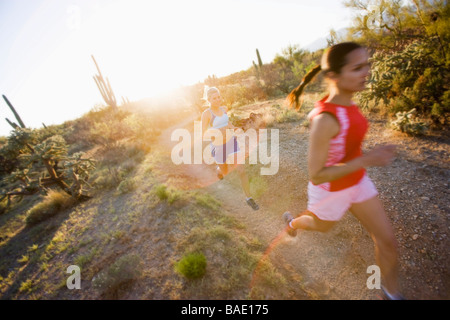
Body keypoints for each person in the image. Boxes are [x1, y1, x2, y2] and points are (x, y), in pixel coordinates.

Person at [282, 42, 403, 300]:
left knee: (387, 241)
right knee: (322, 226)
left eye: (367, 65)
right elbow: (317, 174)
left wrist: (365, 159)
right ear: (334, 76)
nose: (366, 72)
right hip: (329, 190)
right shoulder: (325, 119)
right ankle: (292, 222)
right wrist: (367, 159)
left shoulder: (349, 104)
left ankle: (391, 295)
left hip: (357, 182)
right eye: (357, 68)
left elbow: (349, 145)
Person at [201, 86, 259, 210]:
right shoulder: (206, 114)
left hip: (231, 142)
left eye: (219, 97)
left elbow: (227, 123)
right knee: (225, 171)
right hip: (218, 146)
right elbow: (203, 133)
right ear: (209, 100)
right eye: (214, 98)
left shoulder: (224, 109)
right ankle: (218, 171)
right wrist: (216, 131)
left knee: (241, 170)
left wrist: (235, 128)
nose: (218, 100)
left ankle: (249, 198)